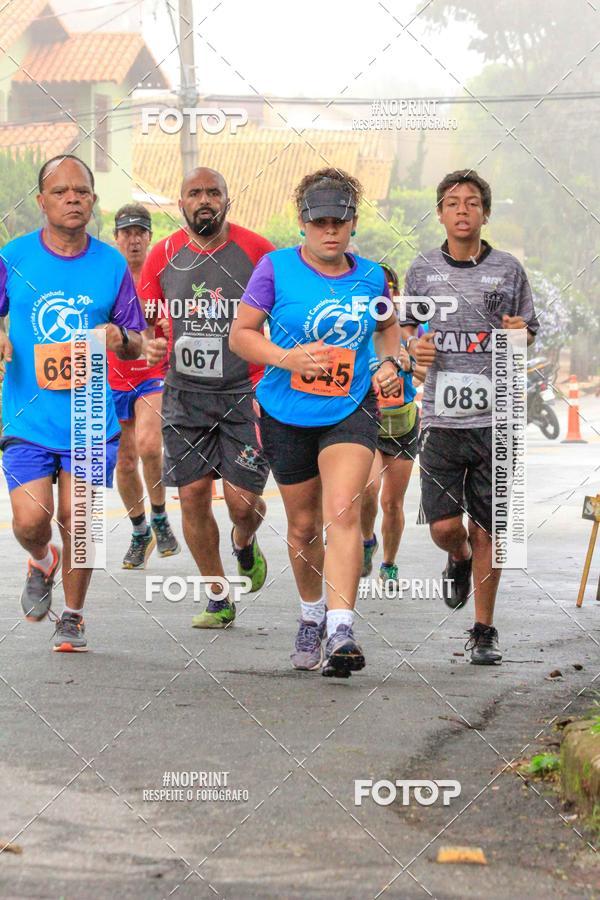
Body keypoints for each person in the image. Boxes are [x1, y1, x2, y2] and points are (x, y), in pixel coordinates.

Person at [230, 167, 404, 678]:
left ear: (353, 223)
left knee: (343, 509)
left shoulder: (372, 276)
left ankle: (342, 629)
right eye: (320, 221)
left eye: (340, 221)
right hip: (285, 412)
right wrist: (288, 358)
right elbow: (241, 335)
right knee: (304, 526)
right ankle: (311, 615)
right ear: (303, 222)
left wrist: (387, 362)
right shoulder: (275, 268)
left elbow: (388, 328)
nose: (330, 230)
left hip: (349, 408)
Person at [0, 155, 146, 651]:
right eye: (61, 192)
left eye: (81, 191)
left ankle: (74, 616)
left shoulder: (111, 265)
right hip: (28, 417)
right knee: (30, 521)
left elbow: (137, 340)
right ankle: (42, 559)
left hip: (89, 419)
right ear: (42, 201)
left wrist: (118, 336)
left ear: (93, 200)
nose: (72, 199)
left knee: (78, 522)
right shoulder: (14, 257)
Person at [405, 169, 539, 664]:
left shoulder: (508, 269)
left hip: (497, 421)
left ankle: (484, 630)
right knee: (445, 528)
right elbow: (404, 332)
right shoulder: (422, 270)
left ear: (485, 213)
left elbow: (529, 331)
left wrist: (520, 332)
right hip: (441, 420)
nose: (463, 210)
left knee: (492, 531)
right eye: (452, 202)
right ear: (440, 213)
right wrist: (412, 347)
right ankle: (457, 557)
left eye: (472, 202)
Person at [144, 167, 273, 629]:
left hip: (244, 392)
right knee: (193, 495)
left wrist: (272, 382)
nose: (204, 200)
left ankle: (244, 542)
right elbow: (148, 323)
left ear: (227, 200)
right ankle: (218, 597)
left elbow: (283, 318)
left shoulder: (258, 251)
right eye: (195, 193)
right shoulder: (161, 256)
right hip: (185, 396)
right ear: (181, 203)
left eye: (213, 193)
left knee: (242, 503)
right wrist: (151, 347)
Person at [108, 203, 180, 569]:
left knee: (150, 444)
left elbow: (181, 319)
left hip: (152, 376)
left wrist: (167, 331)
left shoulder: (162, 276)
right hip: (112, 380)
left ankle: (160, 516)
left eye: (140, 233)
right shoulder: (106, 276)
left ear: (149, 237)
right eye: (127, 233)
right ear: (116, 238)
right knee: (124, 462)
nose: (134, 240)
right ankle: (140, 531)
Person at [360, 263, 427, 586]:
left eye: (389, 289)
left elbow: (430, 373)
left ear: (396, 295)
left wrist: (409, 365)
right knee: (368, 490)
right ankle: (366, 540)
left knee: (392, 502)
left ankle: (389, 563)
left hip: (402, 423)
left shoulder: (412, 331)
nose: (383, 296)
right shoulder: (355, 327)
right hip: (367, 420)